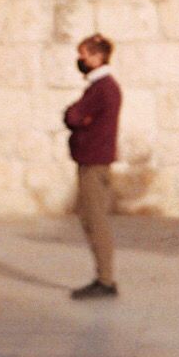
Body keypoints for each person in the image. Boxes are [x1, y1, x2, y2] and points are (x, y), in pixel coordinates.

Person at [63, 34, 121, 300]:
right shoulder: (101, 87)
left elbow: (74, 115)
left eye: (84, 55)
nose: (81, 61)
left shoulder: (103, 88)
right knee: (91, 217)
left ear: (97, 57)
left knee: (95, 219)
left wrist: (77, 116)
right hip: (92, 159)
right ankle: (103, 276)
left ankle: (105, 279)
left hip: (94, 162)